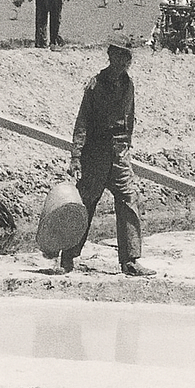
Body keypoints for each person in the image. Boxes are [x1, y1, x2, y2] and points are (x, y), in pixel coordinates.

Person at [61, 33, 154, 277]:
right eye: (121, 56)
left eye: (128, 57)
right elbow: (82, 122)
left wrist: (126, 147)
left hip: (120, 153)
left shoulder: (128, 84)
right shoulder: (95, 85)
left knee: (128, 200)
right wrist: (76, 156)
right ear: (111, 56)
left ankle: (130, 260)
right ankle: (68, 256)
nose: (125, 61)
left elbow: (129, 117)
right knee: (85, 204)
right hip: (96, 154)